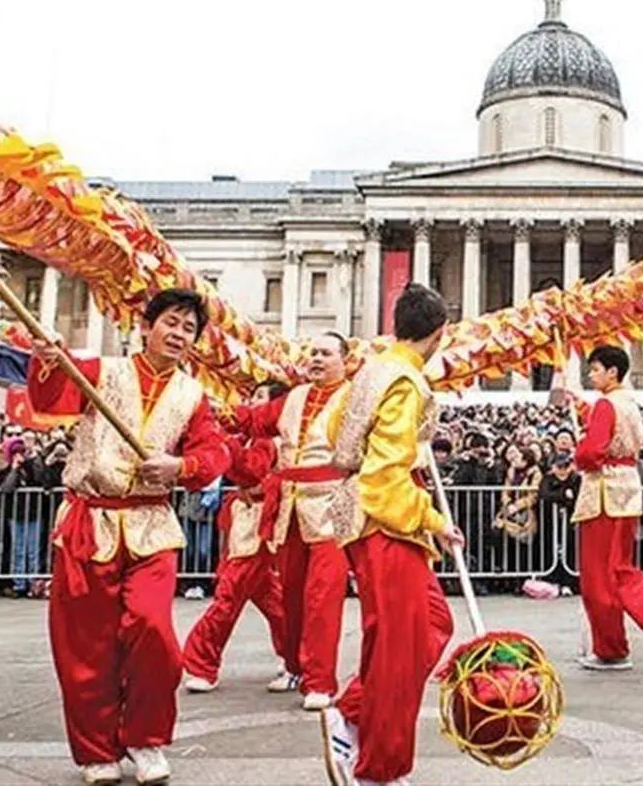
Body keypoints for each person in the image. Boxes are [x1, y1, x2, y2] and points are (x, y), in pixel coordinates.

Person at [27, 288, 231, 786]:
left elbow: (214, 454)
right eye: (172, 323)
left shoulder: (192, 395)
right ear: (146, 326)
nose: (179, 334)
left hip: (150, 526)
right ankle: (97, 750)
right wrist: (49, 363)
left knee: (153, 631)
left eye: (189, 328)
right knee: (85, 645)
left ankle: (145, 737)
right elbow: (51, 399)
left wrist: (180, 465)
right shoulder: (102, 372)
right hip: (88, 522)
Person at [320, 282, 464, 786]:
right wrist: (433, 519)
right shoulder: (406, 381)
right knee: (401, 646)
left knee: (428, 624)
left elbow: (332, 428)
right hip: (385, 523)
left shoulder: (372, 369)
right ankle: (380, 769)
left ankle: (353, 711)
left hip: (365, 518)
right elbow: (384, 479)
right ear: (440, 333)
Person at [226, 333, 352, 709]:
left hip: (332, 509)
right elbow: (252, 420)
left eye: (325, 353)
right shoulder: (292, 398)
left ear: (343, 360)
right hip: (290, 510)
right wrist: (209, 409)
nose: (316, 358)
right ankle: (296, 665)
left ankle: (320, 681)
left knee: (323, 597)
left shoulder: (355, 398)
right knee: (292, 596)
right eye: (312, 352)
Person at [569, 346, 643, 671]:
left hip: (604, 493)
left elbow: (592, 451)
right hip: (625, 489)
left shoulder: (606, 404)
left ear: (612, 372)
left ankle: (616, 646)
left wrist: (579, 452)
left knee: (598, 577)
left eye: (594, 370)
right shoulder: (627, 403)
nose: (590, 375)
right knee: (618, 568)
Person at [182, 381, 292, 692]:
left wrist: (224, 442)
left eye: (259, 398)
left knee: (229, 596)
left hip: (263, 526)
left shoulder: (273, 440)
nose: (250, 401)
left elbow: (251, 471)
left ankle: (201, 662)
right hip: (246, 523)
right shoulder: (250, 437)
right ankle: (296, 659)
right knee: (273, 601)